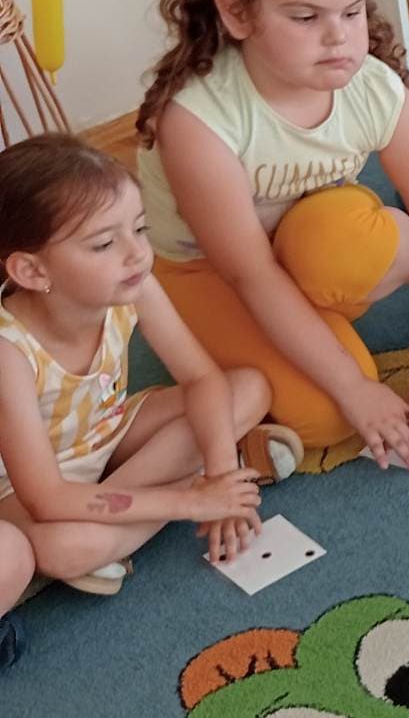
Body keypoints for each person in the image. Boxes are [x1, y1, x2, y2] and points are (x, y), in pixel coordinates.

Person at [135, 0, 409, 470]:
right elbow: (250, 272)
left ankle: (314, 324)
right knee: (328, 416)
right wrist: (353, 386)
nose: (338, 37)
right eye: (305, 18)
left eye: (351, 12)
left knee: (351, 246)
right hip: (207, 270)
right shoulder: (198, 122)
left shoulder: (373, 87)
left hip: (308, 244)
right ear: (237, 13)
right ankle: (285, 352)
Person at [1, 136, 290, 663]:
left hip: (106, 435)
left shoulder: (132, 284)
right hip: (23, 490)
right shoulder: (8, 352)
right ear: (33, 272)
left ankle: (210, 475)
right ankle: (185, 486)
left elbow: (201, 378)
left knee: (248, 386)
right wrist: (192, 501)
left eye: (138, 229)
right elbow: (46, 498)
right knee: (67, 548)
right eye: (102, 244)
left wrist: (220, 471)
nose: (136, 253)